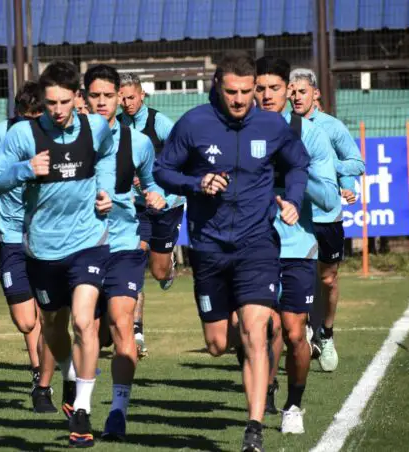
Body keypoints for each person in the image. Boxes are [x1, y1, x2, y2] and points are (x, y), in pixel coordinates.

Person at [153, 50, 310, 452]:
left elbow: (297, 165)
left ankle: (254, 428)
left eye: (246, 92)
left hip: (257, 244)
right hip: (208, 248)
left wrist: (292, 198)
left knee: (256, 331)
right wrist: (196, 182)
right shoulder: (194, 123)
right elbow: (162, 170)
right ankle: (244, 348)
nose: (240, 100)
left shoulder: (272, 125)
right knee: (218, 344)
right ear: (217, 87)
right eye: (232, 92)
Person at [0, 60, 116, 448]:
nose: (57, 110)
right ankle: (70, 375)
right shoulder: (24, 135)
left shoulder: (96, 127)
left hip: (90, 240)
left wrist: (103, 190)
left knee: (83, 321)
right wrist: (24, 169)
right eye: (50, 103)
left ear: (78, 98)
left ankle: (84, 410)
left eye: (64, 102)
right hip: (41, 248)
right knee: (53, 326)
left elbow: (106, 155)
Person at [255, 56, 341, 433]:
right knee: (261, 328)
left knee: (292, 332)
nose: (267, 95)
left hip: (298, 247)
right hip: (254, 247)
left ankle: (293, 405)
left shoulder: (309, 134)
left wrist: (297, 174)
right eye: (260, 89)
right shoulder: (238, 134)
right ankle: (265, 392)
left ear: (288, 92)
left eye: (275, 88)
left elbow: (328, 199)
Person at [83, 64, 167, 441]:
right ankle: (78, 399)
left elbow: (151, 183)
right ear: (85, 97)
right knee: (82, 327)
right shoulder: (69, 139)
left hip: (124, 244)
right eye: (94, 96)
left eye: (108, 95)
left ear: (121, 97)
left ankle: (117, 410)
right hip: (79, 245)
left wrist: (155, 194)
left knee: (121, 320)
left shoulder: (140, 142)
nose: (101, 102)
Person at [0, 81, 57, 413]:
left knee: (50, 313)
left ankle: (40, 375)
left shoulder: (54, 136)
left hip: (47, 238)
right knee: (24, 320)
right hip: (10, 237)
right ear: (18, 113)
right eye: (27, 118)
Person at [288, 68, 365, 372]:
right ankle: (303, 330)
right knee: (297, 277)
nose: (295, 97)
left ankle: (327, 333)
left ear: (315, 94)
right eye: (291, 91)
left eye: (301, 91)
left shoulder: (331, 128)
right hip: (294, 216)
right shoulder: (281, 125)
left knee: (327, 279)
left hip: (327, 215)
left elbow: (356, 163)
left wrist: (339, 174)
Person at [118, 72, 181, 358]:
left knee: (158, 271)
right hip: (137, 208)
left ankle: (169, 267)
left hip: (166, 205)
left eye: (131, 97)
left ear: (142, 95)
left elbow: (184, 156)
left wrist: (160, 187)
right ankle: (137, 331)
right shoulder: (117, 125)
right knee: (134, 259)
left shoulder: (160, 123)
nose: (127, 103)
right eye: (122, 98)